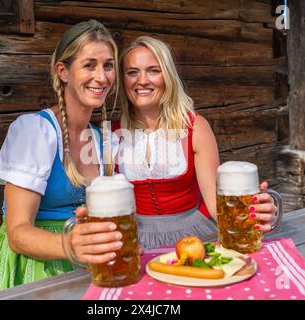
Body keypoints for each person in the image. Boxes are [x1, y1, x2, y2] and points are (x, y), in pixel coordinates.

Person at [0, 20, 122, 300]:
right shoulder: (36, 131)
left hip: (87, 264)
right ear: (63, 71)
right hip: (32, 267)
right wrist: (70, 245)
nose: (101, 76)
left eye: (108, 65)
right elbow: (17, 233)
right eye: (89, 65)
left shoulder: (104, 139)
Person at [111, 36, 279, 249]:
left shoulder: (195, 127)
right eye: (132, 72)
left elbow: (217, 206)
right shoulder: (111, 134)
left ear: (168, 76)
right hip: (134, 239)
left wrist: (259, 211)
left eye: (153, 70)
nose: (142, 80)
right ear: (123, 79)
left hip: (194, 234)